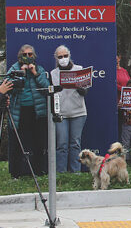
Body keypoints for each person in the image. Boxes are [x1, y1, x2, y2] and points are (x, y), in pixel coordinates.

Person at [8, 44, 50, 178]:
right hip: (20, 111)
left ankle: (39, 171)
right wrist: (22, 75)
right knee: (18, 143)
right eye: (25, 54)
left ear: (34, 56)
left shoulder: (39, 69)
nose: (27, 57)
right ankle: (16, 173)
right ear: (20, 56)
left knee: (38, 142)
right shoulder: (14, 69)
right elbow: (9, 88)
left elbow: (47, 87)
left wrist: (35, 73)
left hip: (37, 111)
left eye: (30, 54)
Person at [50, 45, 88, 173]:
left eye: (65, 56)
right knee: (62, 145)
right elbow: (52, 94)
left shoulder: (79, 69)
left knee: (75, 144)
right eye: (60, 57)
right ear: (56, 58)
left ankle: (75, 172)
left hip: (78, 112)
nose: (63, 59)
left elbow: (85, 92)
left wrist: (79, 87)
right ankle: (61, 173)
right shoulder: (53, 73)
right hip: (62, 113)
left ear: (69, 55)